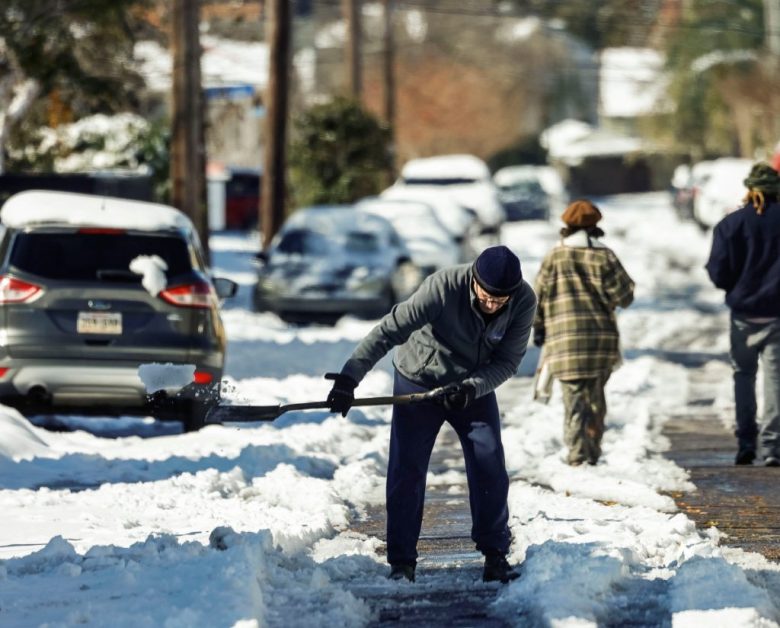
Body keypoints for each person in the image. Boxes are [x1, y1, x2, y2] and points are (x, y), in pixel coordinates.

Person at [325, 245, 537, 583]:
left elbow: (508, 362)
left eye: (501, 300)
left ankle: (495, 554)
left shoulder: (524, 300)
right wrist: (350, 376)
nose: (493, 304)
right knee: (407, 468)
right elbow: (390, 329)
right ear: (474, 280)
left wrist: (471, 388)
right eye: (487, 296)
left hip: (472, 386)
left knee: (489, 462)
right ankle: (402, 562)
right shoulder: (443, 287)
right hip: (418, 381)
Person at [532, 199, 634, 466]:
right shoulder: (605, 255)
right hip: (600, 344)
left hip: (563, 343)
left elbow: (537, 297)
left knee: (574, 403)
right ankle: (592, 454)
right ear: (595, 226)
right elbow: (625, 296)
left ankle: (578, 458)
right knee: (595, 401)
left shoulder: (554, 256)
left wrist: (539, 327)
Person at [705, 162, 780, 467]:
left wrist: (737, 287)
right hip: (778, 315)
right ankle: (774, 447)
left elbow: (718, 271)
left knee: (743, 376)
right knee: (776, 381)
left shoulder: (731, 224)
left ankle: (746, 442)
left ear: (750, 189)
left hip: (743, 315)